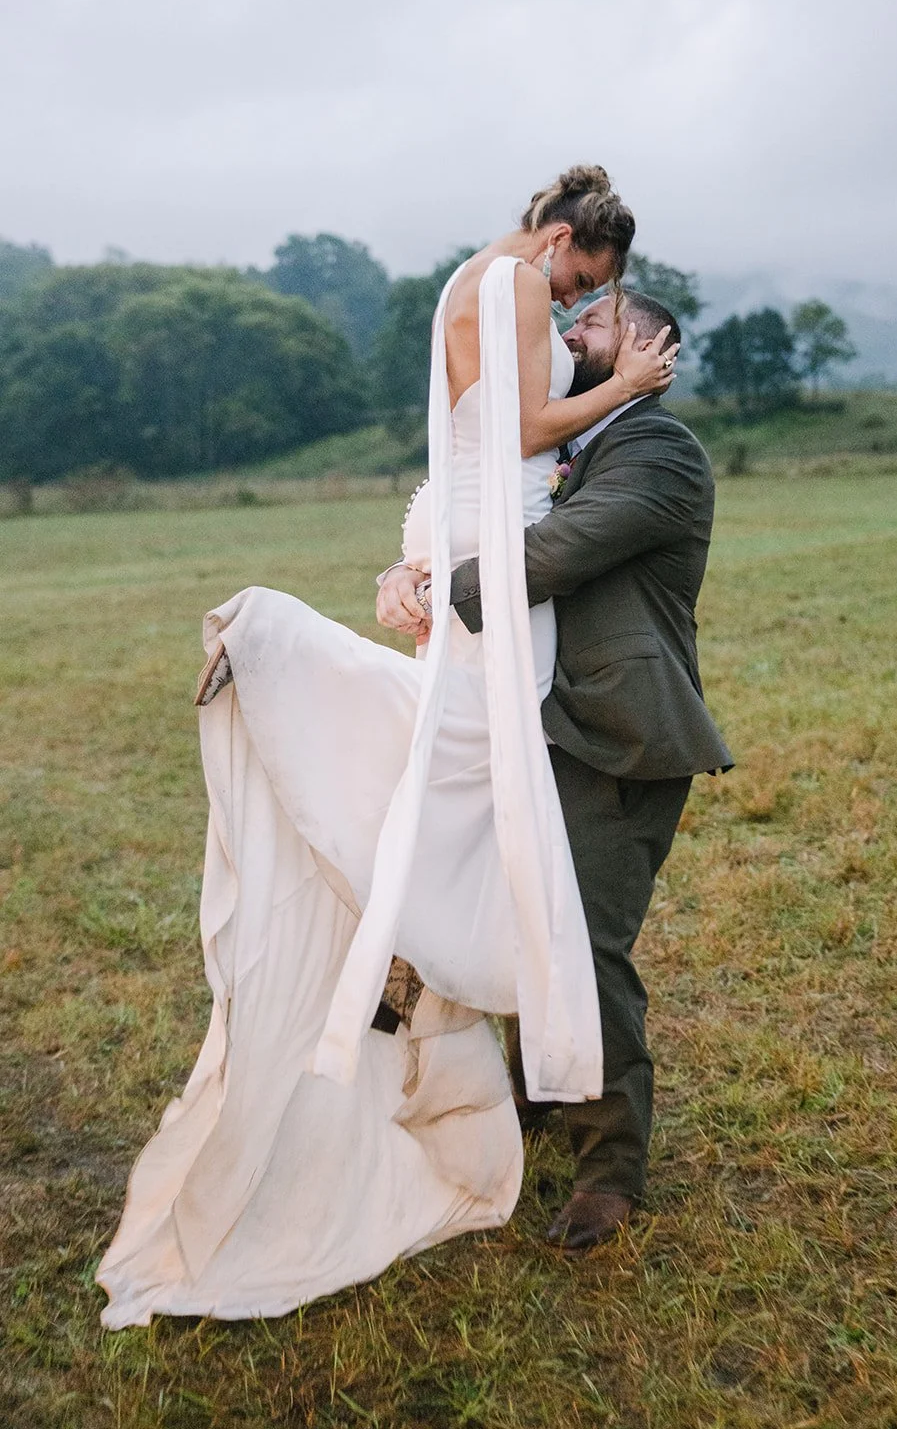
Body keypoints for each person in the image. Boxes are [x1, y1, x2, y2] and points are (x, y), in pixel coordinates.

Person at [96, 165, 678, 1327]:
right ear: (557, 238)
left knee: (459, 763)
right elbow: (523, 425)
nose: (570, 307)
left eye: (588, 299)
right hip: (498, 540)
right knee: (463, 760)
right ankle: (278, 646)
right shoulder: (513, 284)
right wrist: (624, 380)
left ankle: (431, 980)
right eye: (581, 280)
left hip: (458, 518)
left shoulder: (472, 276)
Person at [378, 289, 733, 1251]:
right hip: (520, 718)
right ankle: (533, 1106)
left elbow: (563, 547)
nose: (569, 335)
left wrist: (445, 593)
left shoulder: (657, 450)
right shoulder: (552, 445)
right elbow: (477, 515)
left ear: (653, 347)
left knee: (581, 944)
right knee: (511, 915)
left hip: (615, 732)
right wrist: (405, 571)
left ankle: (610, 1172)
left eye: (594, 327)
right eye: (569, 325)